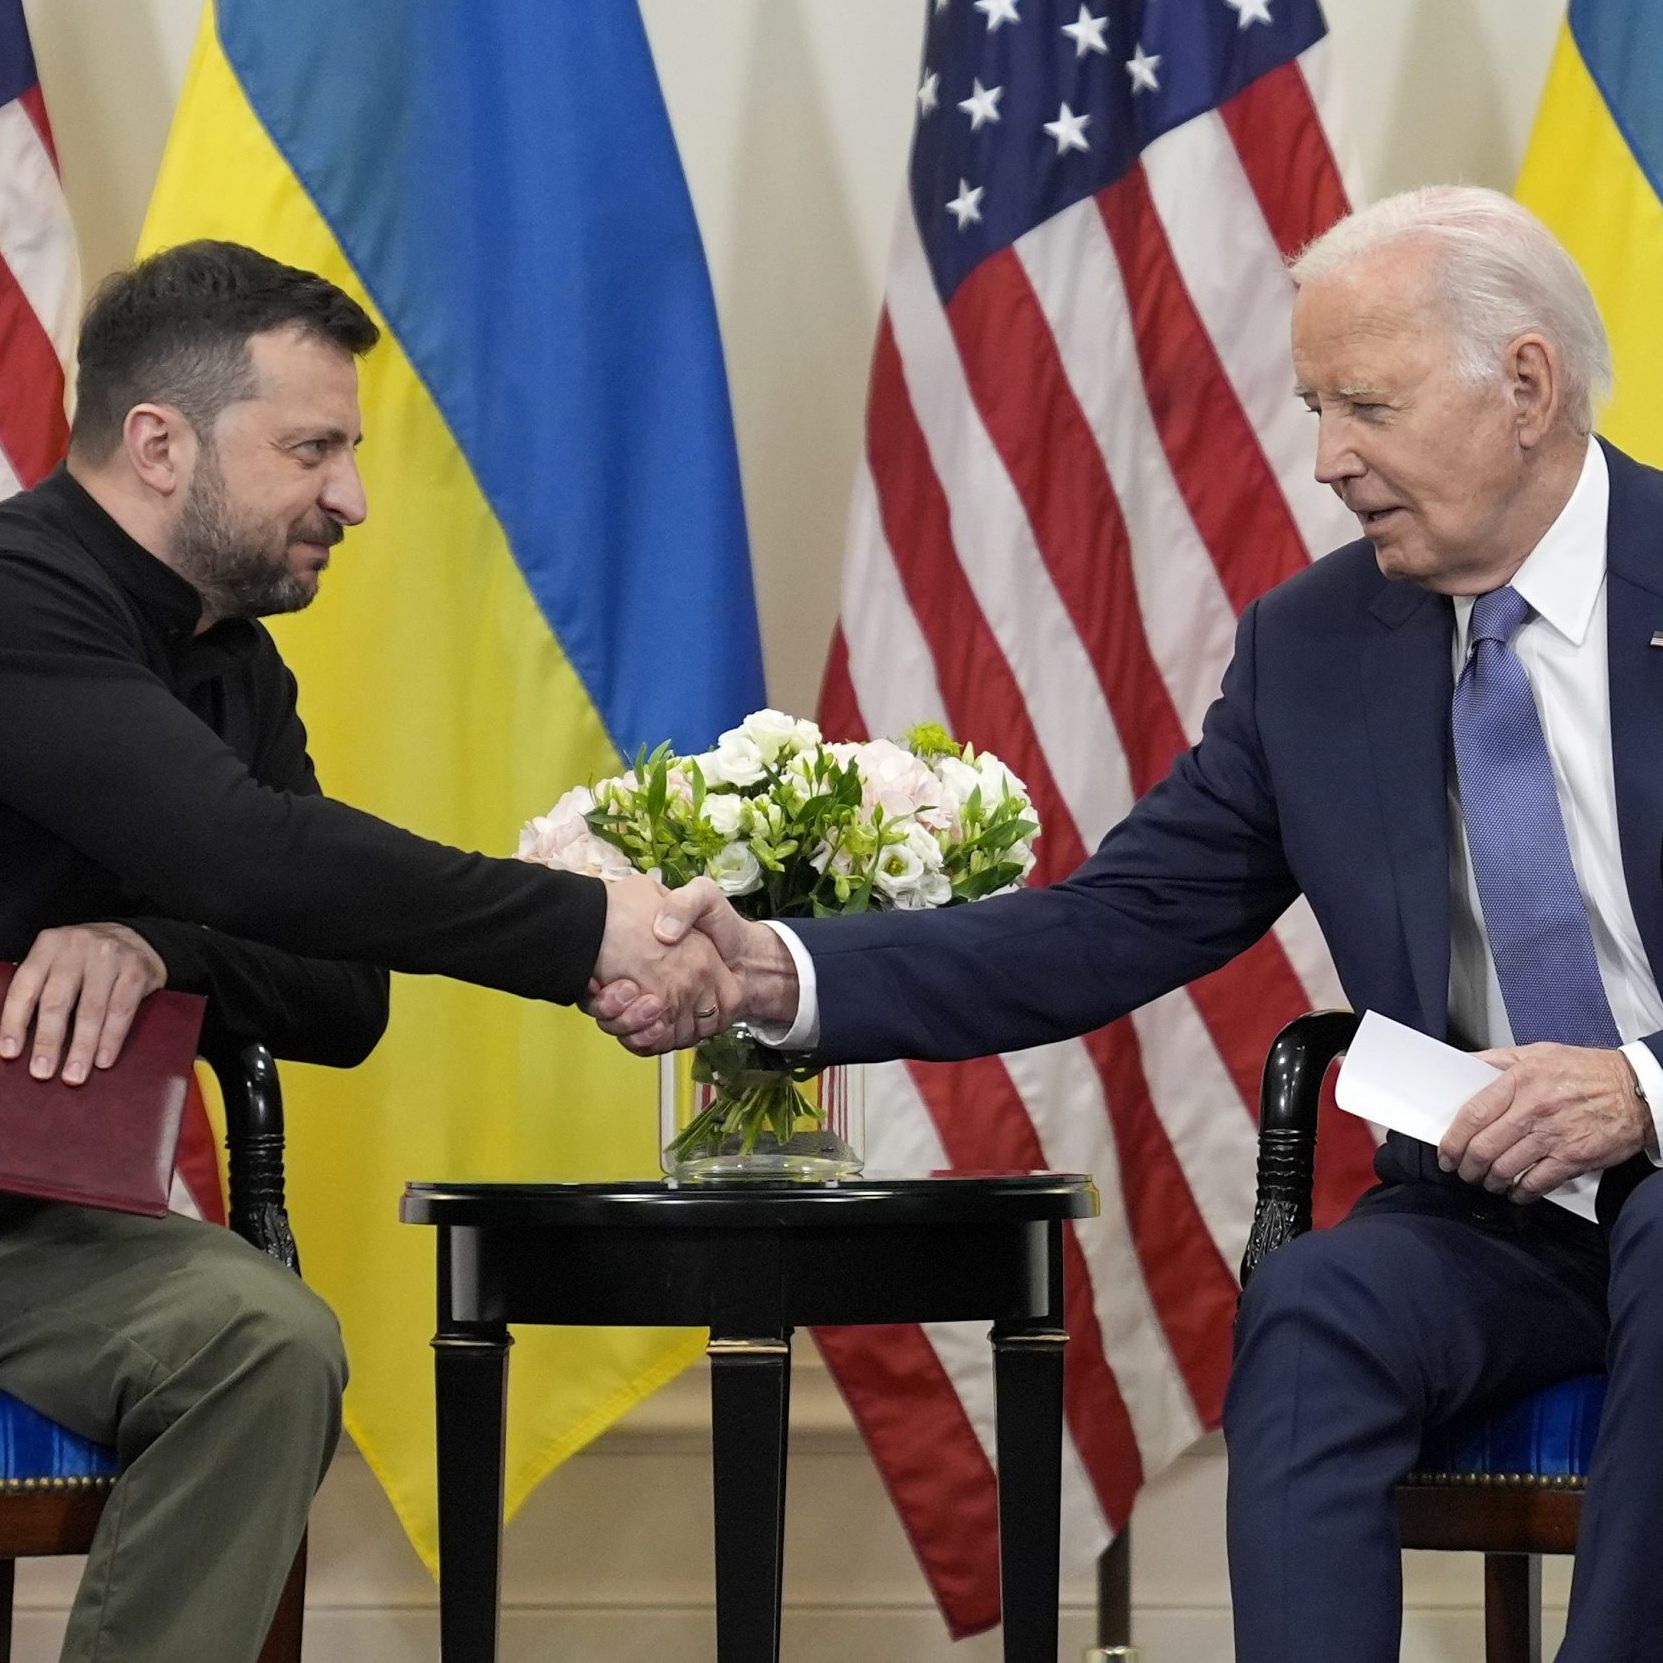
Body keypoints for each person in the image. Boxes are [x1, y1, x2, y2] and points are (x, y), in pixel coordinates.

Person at [591, 185, 1663, 1662]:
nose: (1327, 460)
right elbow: (1107, 924)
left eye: (1367, 405)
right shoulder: (1315, 646)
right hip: (1498, 1216)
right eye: (1312, 407)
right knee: (1320, 1311)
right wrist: (777, 971)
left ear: (1526, 387)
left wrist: (1641, 1090)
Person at [0, 239, 737, 1663]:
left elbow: (339, 998)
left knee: (264, 1346)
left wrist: (152, 945)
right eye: (313, 448)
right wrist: (592, 923)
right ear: (159, 444)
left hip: (40, 1228)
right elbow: (247, 855)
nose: (351, 495)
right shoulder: (20, 597)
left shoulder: (234, 664)